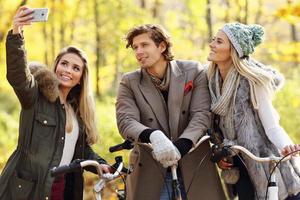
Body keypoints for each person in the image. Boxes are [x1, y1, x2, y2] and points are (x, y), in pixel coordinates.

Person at [0, 6, 111, 200]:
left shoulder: (76, 111)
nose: (68, 70)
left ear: (81, 78)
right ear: (56, 66)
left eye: (76, 68)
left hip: (64, 187)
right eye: (64, 64)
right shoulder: (35, 96)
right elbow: (18, 76)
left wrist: (99, 164)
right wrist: (17, 32)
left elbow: (80, 150)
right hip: (27, 189)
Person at [116, 24, 226, 200]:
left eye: (144, 45)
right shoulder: (129, 81)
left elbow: (202, 115)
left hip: (194, 163)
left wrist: (183, 144)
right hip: (149, 167)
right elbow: (126, 121)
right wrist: (154, 136)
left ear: (162, 46)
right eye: (135, 47)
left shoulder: (193, 71)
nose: (138, 51)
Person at [207, 22, 300, 200]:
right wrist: (220, 154)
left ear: (234, 50)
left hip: (266, 165)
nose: (212, 44)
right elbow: (214, 127)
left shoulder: (253, 81)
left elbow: (272, 126)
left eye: (219, 41)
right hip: (239, 166)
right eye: (213, 39)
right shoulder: (211, 82)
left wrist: (287, 147)